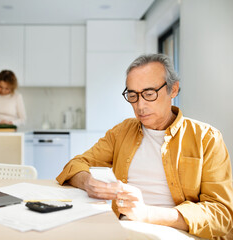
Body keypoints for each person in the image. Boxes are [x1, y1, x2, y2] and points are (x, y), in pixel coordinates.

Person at [56, 54, 233, 239]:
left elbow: (222, 214)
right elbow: (75, 165)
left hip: (181, 233)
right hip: (125, 230)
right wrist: (89, 183)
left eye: (149, 94)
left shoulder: (207, 138)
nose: (140, 106)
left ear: (173, 90)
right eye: (132, 96)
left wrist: (147, 213)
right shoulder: (122, 132)